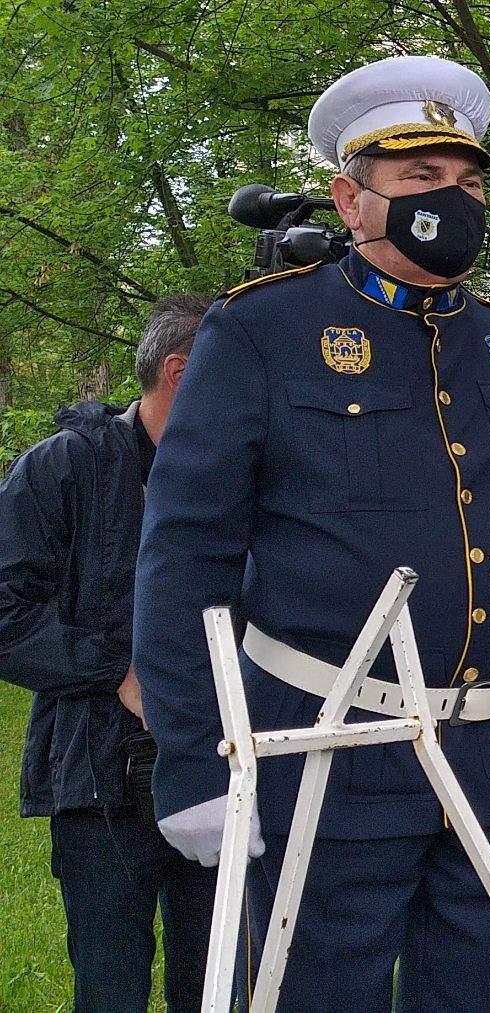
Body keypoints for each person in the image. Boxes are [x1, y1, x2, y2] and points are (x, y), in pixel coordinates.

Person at [132, 56, 490, 1010]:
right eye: (421, 180)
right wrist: (196, 758)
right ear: (351, 199)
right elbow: (184, 548)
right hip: (330, 750)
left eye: (470, 181)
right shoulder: (265, 331)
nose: (455, 200)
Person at [0, 295, 216, 1012]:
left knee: (220, 986)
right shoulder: (63, 468)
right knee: (112, 988)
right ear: (180, 371)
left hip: (223, 775)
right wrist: (118, 670)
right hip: (99, 780)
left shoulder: (242, 478)